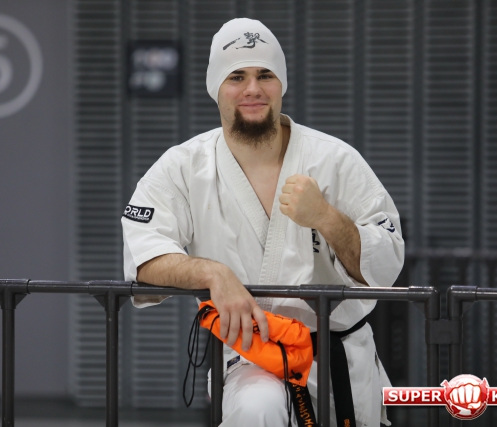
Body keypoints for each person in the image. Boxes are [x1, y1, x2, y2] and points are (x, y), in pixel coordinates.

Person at [122, 17, 403, 427]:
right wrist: (212, 273)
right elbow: (145, 255)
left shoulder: (335, 160)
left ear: (281, 85)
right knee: (258, 408)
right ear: (216, 88)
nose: (252, 88)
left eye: (265, 75)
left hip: (338, 357)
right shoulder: (183, 167)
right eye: (236, 76)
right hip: (254, 353)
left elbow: (387, 262)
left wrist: (326, 217)